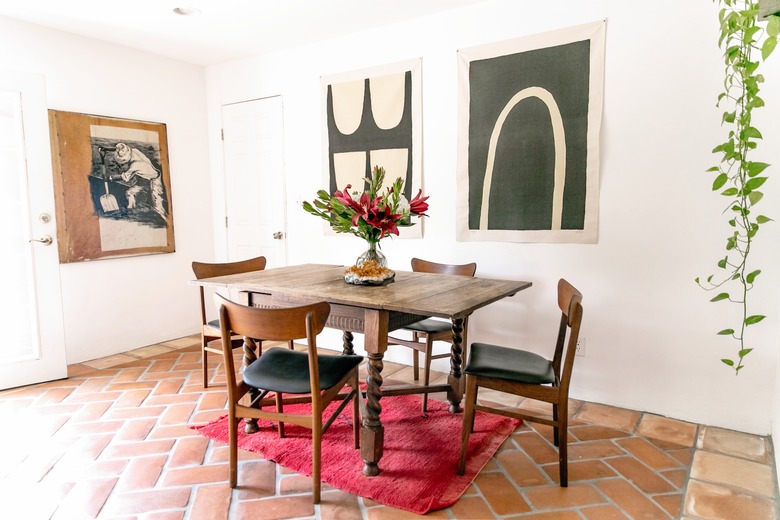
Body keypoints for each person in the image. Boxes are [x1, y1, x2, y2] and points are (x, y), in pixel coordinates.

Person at [111, 142, 166, 220]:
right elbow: (120, 149)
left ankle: (164, 219)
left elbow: (125, 178)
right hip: (144, 178)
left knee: (157, 205)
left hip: (154, 179)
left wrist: (111, 177)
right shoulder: (134, 151)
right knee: (129, 193)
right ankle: (131, 211)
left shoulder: (135, 165)